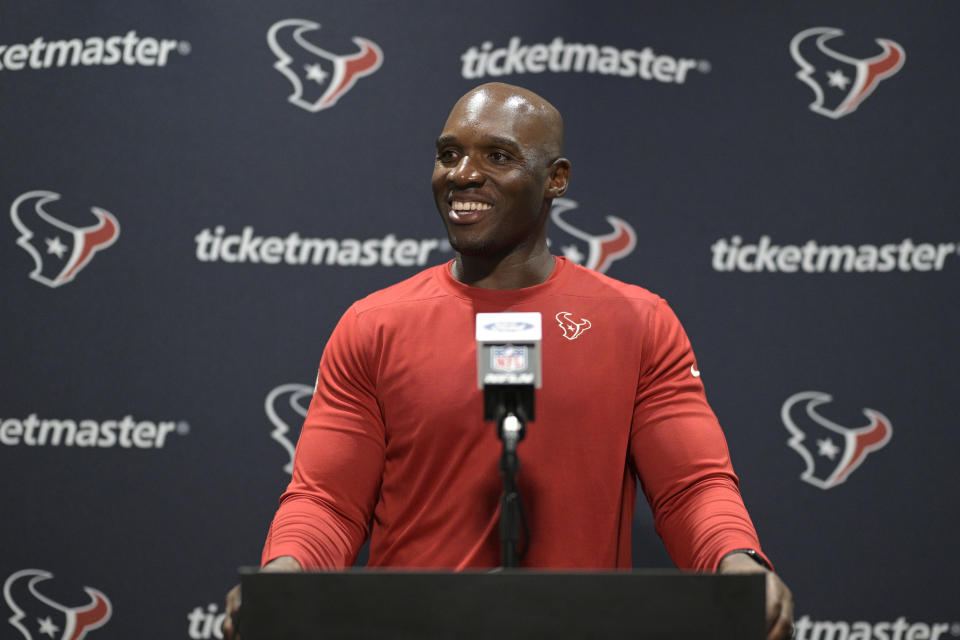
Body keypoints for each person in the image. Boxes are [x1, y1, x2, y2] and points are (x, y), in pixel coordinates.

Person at [224, 82, 794, 639]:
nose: (463, 175)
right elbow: (328, 500)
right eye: (449, 155)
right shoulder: (374, 325)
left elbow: (690, 487)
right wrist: (284, 577)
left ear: (556, 180)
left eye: (498, 156)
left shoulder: (638, 322)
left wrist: (738, 563)